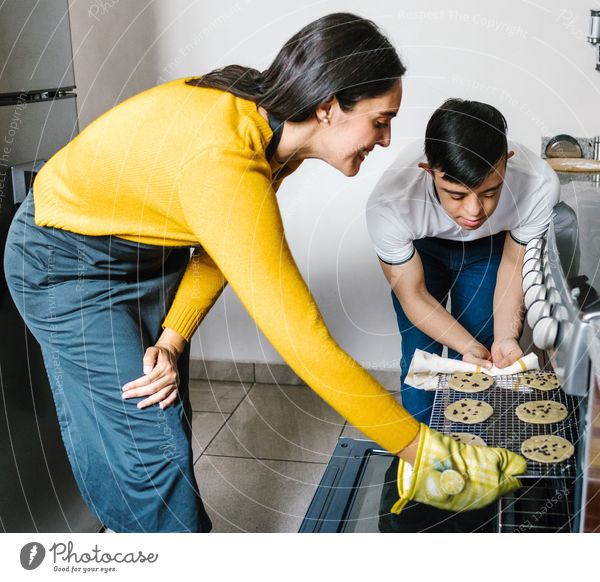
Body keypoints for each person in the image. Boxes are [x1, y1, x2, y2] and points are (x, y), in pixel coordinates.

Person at [3, 14, 525, 532]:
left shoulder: (270, 132)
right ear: (328, 107)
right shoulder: (224, 160)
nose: (387, 140)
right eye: (380, 120)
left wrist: (173, 337)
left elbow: (219, 243)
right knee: (148, 445)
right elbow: (305, 343)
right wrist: (422, 451)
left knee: (164, 418)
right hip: (65, 262)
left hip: (145, 252)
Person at [367, 98, 570, 423]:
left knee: (487, 346)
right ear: (429, 172)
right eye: (456, 195)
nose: (474, 211)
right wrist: (464, 345)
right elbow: (414, 297)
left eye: (490, 192)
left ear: (507, 162)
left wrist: (503, 338)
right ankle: (420, 447)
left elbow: (514, 265)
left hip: (491, 246)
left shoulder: (538, 185)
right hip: (422, 249)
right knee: (421, 354)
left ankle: (472, 445)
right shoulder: (391, 204)